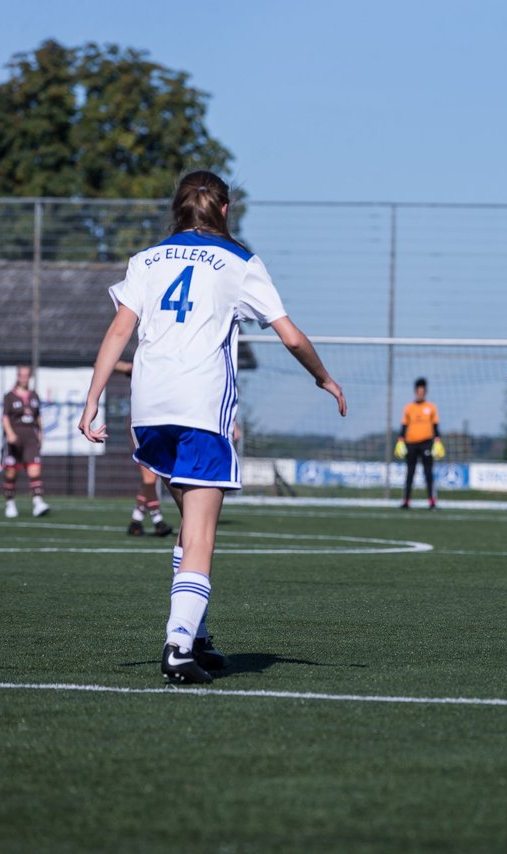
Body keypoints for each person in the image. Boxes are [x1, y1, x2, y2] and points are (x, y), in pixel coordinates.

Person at [78, 170, 346, 685]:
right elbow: (289, 336)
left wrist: (92, 400)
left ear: (177, 210)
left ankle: (196, 634)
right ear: (224, 210)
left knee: (187, 520)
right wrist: (324, 378)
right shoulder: (240, 261)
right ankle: (178, 647)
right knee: (202, 531)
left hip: (150, 407)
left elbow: (119, 330)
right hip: (200, 405)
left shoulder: (146, 259)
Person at [115, 361, 174, 537]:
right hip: (141, 423)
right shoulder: (144, 364)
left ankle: (136, 521)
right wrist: (135, 366)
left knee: (152, 474)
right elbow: (107, 362)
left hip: (161, 422)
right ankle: (158, 520)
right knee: (149, 475)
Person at [1, 364, 50, 518]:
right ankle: (10, 503)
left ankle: (38, 502)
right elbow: (5, 417)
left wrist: (41, 434)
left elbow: (38, 417)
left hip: (30, 438)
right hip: (15, 439)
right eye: (21, 375)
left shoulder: (34, 395)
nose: (23, 378)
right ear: (17, 376)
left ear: (29, 377)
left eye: (26, 375)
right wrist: (9, 433)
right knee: (11, 472)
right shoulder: (9, 396)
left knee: (35, 469)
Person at [394, 377, 444, 509]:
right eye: (418, 391)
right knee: (410, 473)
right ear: (415, 392)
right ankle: (406, 501)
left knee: (428, 473)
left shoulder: (431, 407)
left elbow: (435, 426)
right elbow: (404, 426)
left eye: (422, 391)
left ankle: (432, 501)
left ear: (425, 392)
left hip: (426, 443)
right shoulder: (409, 408)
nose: (420, 393)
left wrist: (438, 441)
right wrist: (400, 440)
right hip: (411, 443)